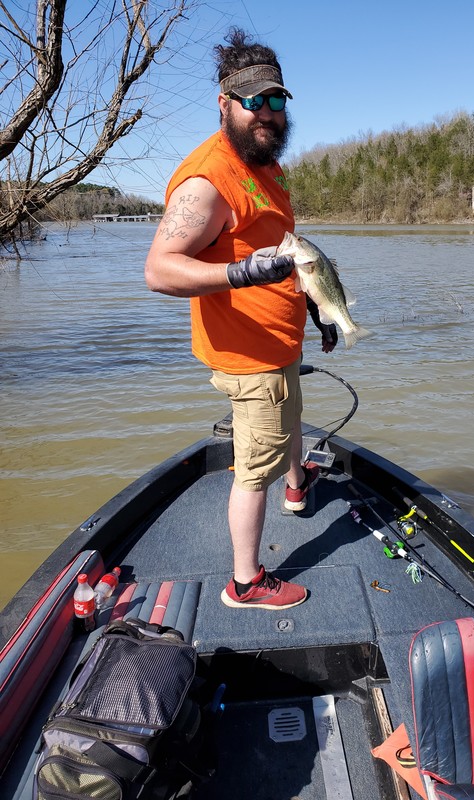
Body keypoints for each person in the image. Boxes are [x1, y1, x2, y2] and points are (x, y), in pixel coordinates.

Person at [145, 28, 337, 611]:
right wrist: (239, 274)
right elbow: (160, 271)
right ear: (225, 103)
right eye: (253, 101)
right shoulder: (210, 179)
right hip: (250, 358)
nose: (267, 113)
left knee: (292, 419)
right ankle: (246, 583)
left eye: (276, 100)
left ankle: (297, 488)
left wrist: (317, 307)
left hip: (279, 345)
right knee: (253, 469)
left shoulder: (264, 168)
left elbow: (284, 254)